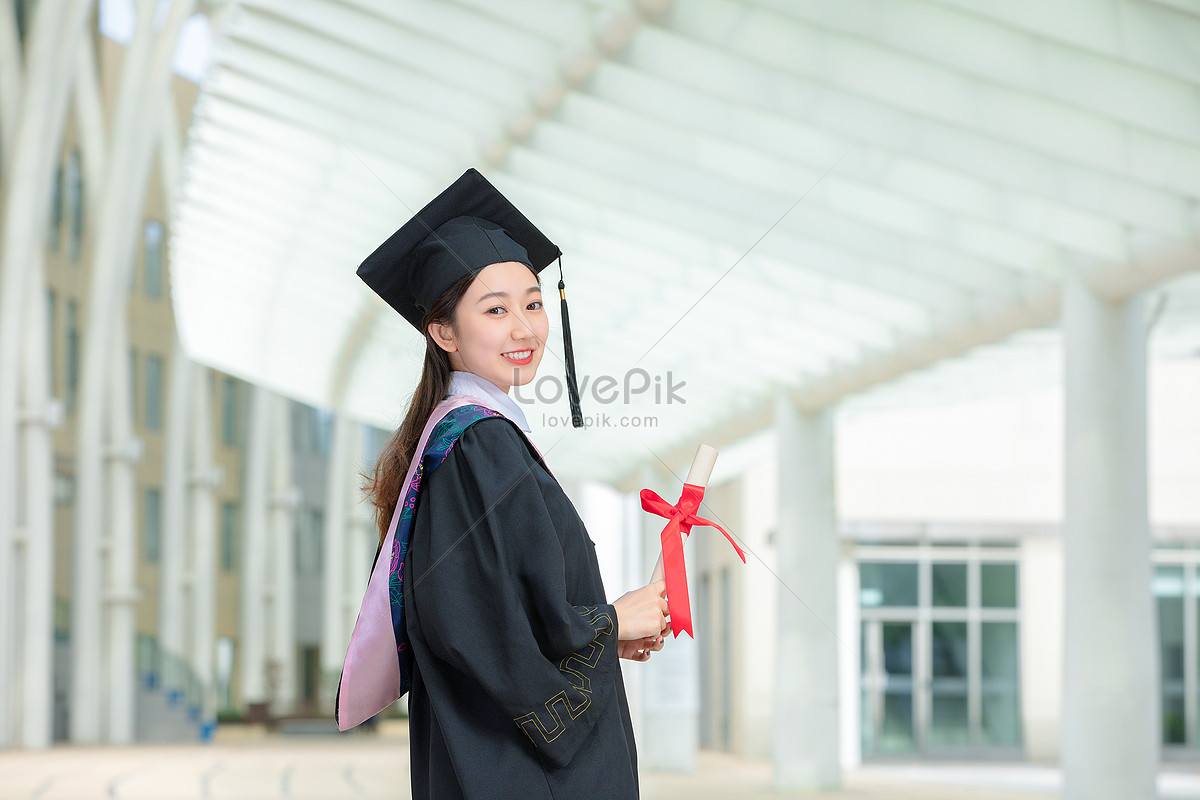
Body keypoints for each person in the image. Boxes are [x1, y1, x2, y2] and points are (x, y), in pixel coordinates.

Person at [349, 168, 670, 799]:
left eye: (532, 302)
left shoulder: (476, 439)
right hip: (521, 772)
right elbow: (474, 624)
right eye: (495, 310)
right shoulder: (478, 445)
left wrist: (601, 640)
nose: (524, 328)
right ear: (444, 333)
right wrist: (606, 626)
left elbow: (510, 606)